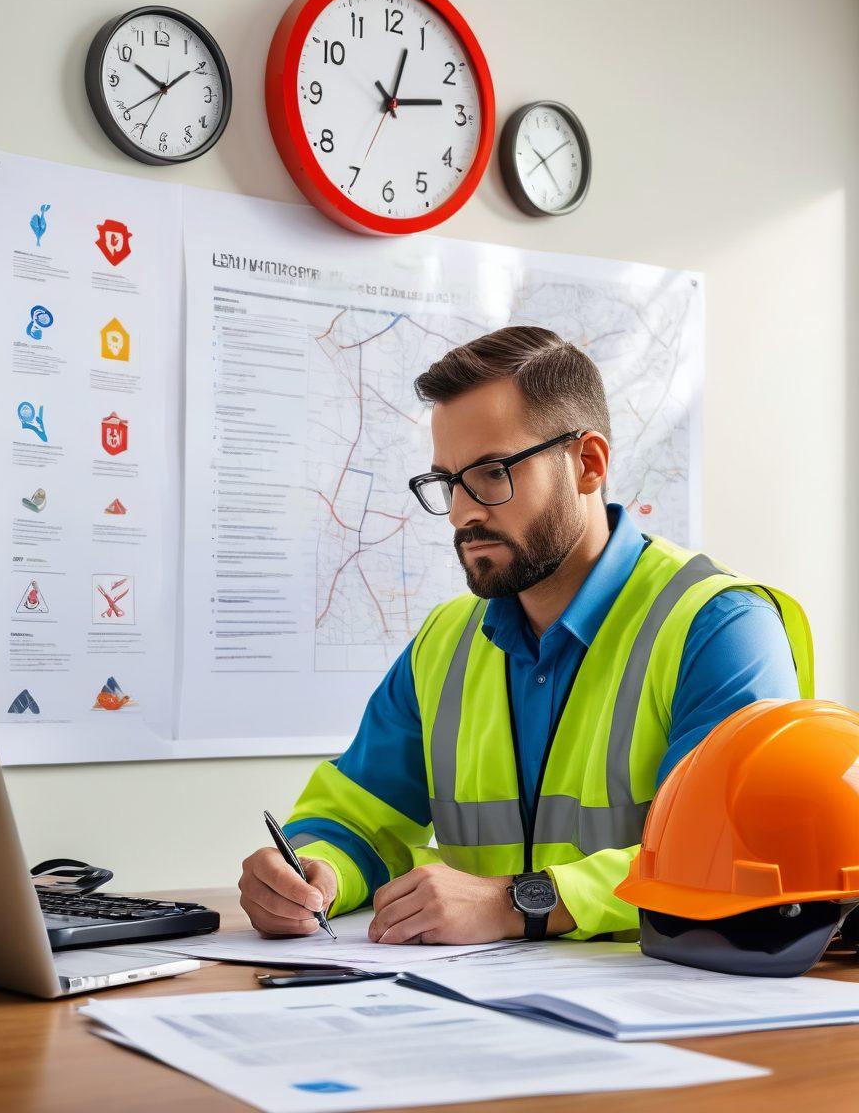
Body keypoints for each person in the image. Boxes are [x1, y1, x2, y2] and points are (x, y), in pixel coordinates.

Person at [239, 327, 813, 946]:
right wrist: (314, 874)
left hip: (670, 1014)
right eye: (447, 482)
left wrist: (522, 902)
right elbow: (357, 817)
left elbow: (731, 856)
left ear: (588, 464)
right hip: (473, 1008)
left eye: (491, 472)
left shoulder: (719, 625)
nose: (463, 513)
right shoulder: (445, 641)